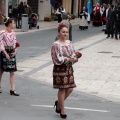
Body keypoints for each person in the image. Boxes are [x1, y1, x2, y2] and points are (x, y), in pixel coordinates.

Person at [51, 23, 78, 119]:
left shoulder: (70, 43)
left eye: (66, 32)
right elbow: (55, 58)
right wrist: (67, 59)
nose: (65, 34)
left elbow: (73, 54)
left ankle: (58, 103)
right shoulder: (55, 45)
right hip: (60, 69)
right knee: (62, 88)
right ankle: (62, 109)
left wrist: (75, 58)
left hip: (69, 68)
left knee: (70, 88)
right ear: (59, 33)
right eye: (63, 32)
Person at [0, 17, 20, 96]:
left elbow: (15, 42)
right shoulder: (2, 32)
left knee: (12, 71)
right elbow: (0, 43)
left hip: (12, 52)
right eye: (14, 23)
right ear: (9, 24)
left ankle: (12, 89)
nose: (14, 24)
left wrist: (15, 51)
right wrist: (5, 53)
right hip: (4, 52)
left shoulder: (13, 32)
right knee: (1, 70)